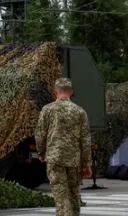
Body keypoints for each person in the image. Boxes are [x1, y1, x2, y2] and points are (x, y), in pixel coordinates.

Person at [35, 77, 92, 216]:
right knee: (73, 194)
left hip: (55, 158)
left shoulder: (48, 110)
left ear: (55, 92)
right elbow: (85, 140)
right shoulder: (80, 111)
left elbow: (40, 134)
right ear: (71, 92)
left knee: (61, 195)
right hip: (74, 160)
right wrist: (87, 164)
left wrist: (41, 152)